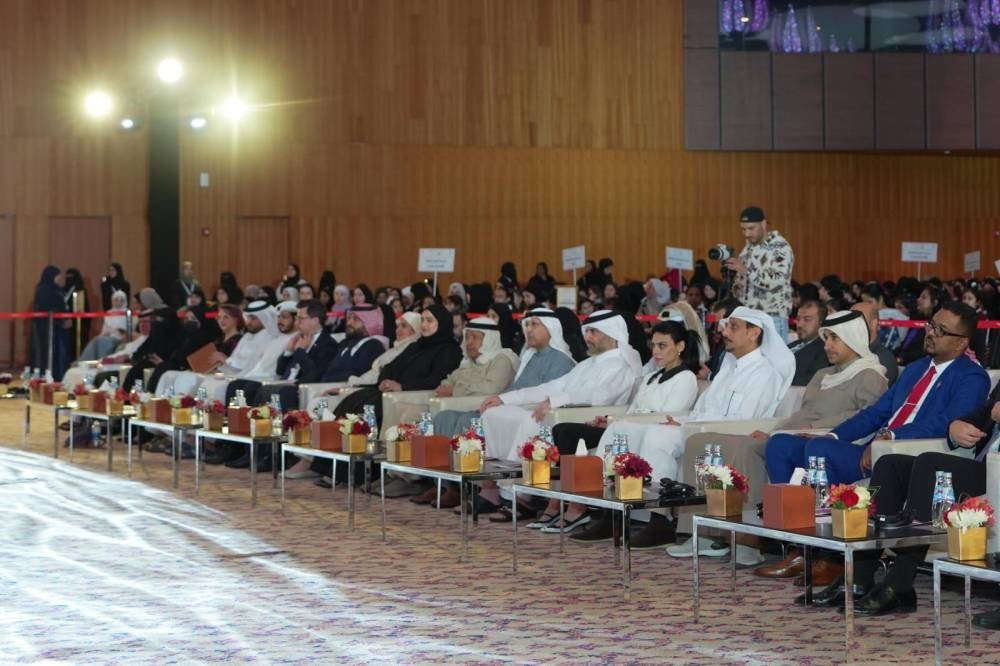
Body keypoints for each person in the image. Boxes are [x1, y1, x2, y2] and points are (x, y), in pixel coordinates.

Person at [585, 307, 794, 552]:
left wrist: (689, 426)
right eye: (726, 326)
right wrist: (683, 424)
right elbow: (701, 412)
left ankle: (660, 520)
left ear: (754, 333)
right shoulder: (728, 369)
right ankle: (608, 511)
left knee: (657, 435)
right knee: (622, 429)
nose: (724, 332)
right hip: (697, 429)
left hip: (727, 435)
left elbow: (740, 420)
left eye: (733, 327)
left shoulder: (765, 374)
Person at [810, 382, 1000, 616]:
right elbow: (985, 412)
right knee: (891, 464)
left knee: (930, 464)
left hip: (995, 469)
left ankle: (899, 583)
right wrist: (956, 425)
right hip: (982, 464)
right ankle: (859, 577)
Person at [765, 301, 990, 488]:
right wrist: (834, 436)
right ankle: (788, 521)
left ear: (962, 342)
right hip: (875, 448)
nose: (930, 332)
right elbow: (876, 413)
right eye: (931, 325)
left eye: (940, 330)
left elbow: (948, 422)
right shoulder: (916, 368)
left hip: (906, 453)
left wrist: (892, 437)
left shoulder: (971, 377)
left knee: (819, 450)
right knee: (780, 444)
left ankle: (824, 529)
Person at [546, 321, 701, 545]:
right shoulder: (652, 377)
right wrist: (611, 420)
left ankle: (657, 519)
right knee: (608, 430)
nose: (656, 351)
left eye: (662, 345)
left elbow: (667, 415)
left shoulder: (686, 378)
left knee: (624, 431)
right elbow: (635, 410)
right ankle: (609, 512)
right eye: (654, 345)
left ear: (680, 346)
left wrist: (619, 422)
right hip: (635, 426)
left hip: (656, 428)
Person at [478, 311, 643, 471]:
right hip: (565, 413)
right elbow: (552, 387)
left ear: (612, 333)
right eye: (586, 332)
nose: (587, 337)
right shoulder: (586, 365)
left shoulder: (622, 365)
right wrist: (504, 399)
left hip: (591, 420)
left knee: (530, 420)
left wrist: (556, 401)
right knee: (496, 411)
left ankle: (521, 486)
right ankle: (497, 484)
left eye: (593, 332)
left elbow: (601, 396)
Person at [728, 206, 795, 342]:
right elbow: (743, 277)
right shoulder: (748, 248)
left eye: (751, 228)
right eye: (743, 229)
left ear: (764, 224)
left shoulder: (780, 247)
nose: (746, 234)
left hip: (772, 318)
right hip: (749, 317)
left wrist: (746, 271)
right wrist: (737, 287)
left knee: (773, 362)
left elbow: (776, 281)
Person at [30, 265, 70, 380]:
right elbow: (49, 308)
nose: (59, 278)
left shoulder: (55, 290)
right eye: (57, 275)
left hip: (55, 328)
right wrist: (61, 321)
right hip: (46, 328)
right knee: (45, 354)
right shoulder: (45, 290)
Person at [851, 302, 899, 385]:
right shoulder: (848, 351)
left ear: (873, 324)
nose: (850, 326)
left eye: (856, 320)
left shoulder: (883, 361)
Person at [78, 290, 130, 361]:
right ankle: (82, 361)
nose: (118, 303)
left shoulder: (129, 313)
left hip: (120, 338)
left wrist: (121, 332)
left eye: (121, 300)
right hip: (108, 337)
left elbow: (130, 332)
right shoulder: (108, 313)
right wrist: (102, 335)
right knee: (96, 340)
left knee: (102, 341)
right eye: (116, 300)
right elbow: (104, 330)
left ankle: (100, 362)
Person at [787, 300, 830, 386]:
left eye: (807, 319)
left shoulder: (824, 350)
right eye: (798, 319)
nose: (799, 325)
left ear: (821, 323)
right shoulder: (791, 345)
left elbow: (812, 381)